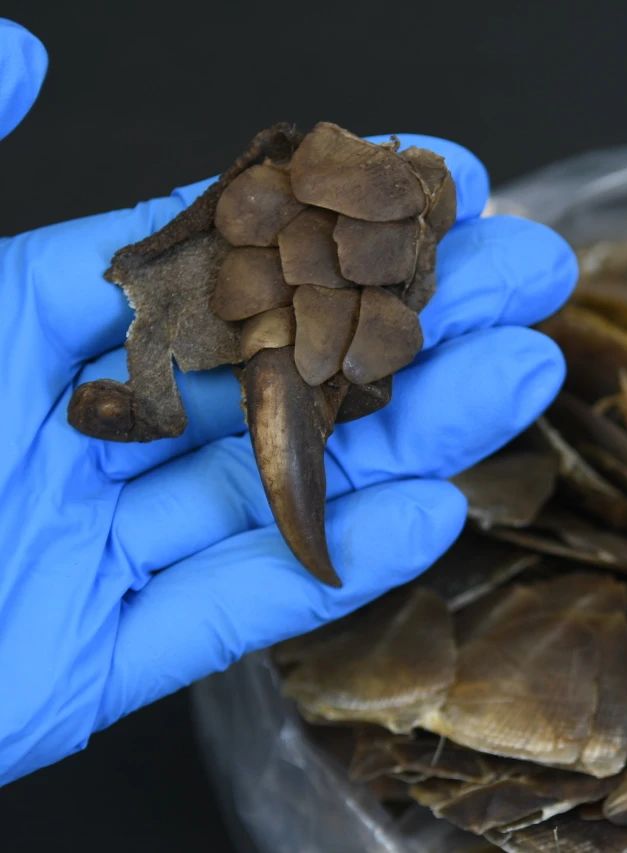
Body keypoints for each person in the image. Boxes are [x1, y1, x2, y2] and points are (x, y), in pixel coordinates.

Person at [0, 19, 576, 786]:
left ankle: (189, 395)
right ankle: (171, 398)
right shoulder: (256, 212)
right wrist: (160, 252)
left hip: (313, 309)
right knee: (184, 348)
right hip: (247, 288)